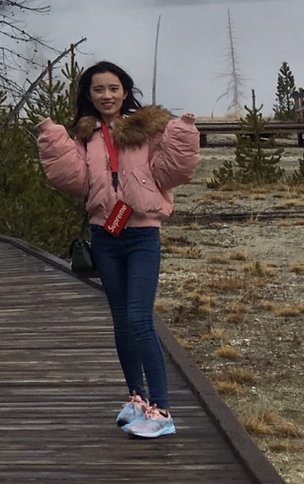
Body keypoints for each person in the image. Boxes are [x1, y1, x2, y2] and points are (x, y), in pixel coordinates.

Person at [36, 61, 200, 439]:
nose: (106, 96)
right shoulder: (86, 136)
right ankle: (138, 400)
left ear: (125, 91)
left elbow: (171, 171)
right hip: (105, 236)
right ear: (88, 96)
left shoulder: (147, 130)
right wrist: (51, 136)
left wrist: (184, 133)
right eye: (98, 90)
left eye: (113, 88)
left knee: (140, 319)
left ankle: (162, 412)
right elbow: (74, 179)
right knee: (123, 322)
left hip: (142, 236)